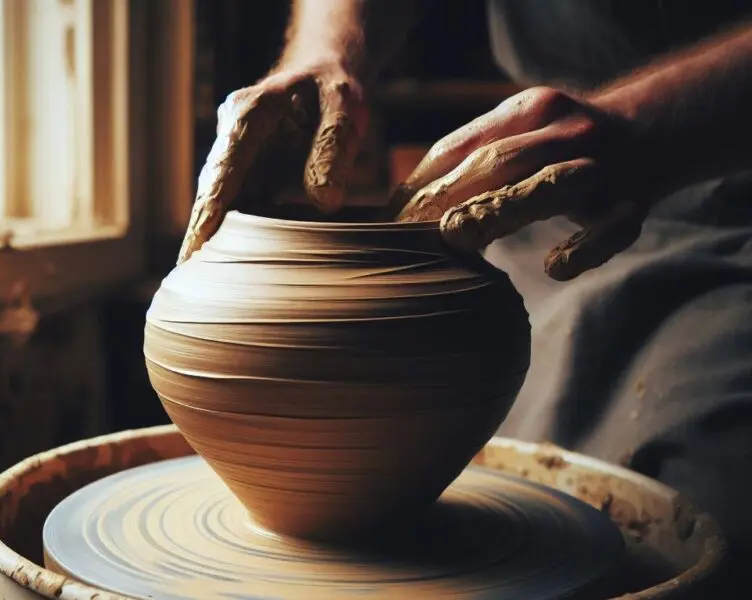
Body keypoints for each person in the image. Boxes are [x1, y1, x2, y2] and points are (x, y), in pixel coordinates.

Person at [179, 0, 752, 589]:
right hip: (546, 210)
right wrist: (324, 52)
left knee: (706, 507)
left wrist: (645, 125)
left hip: (729, 204)